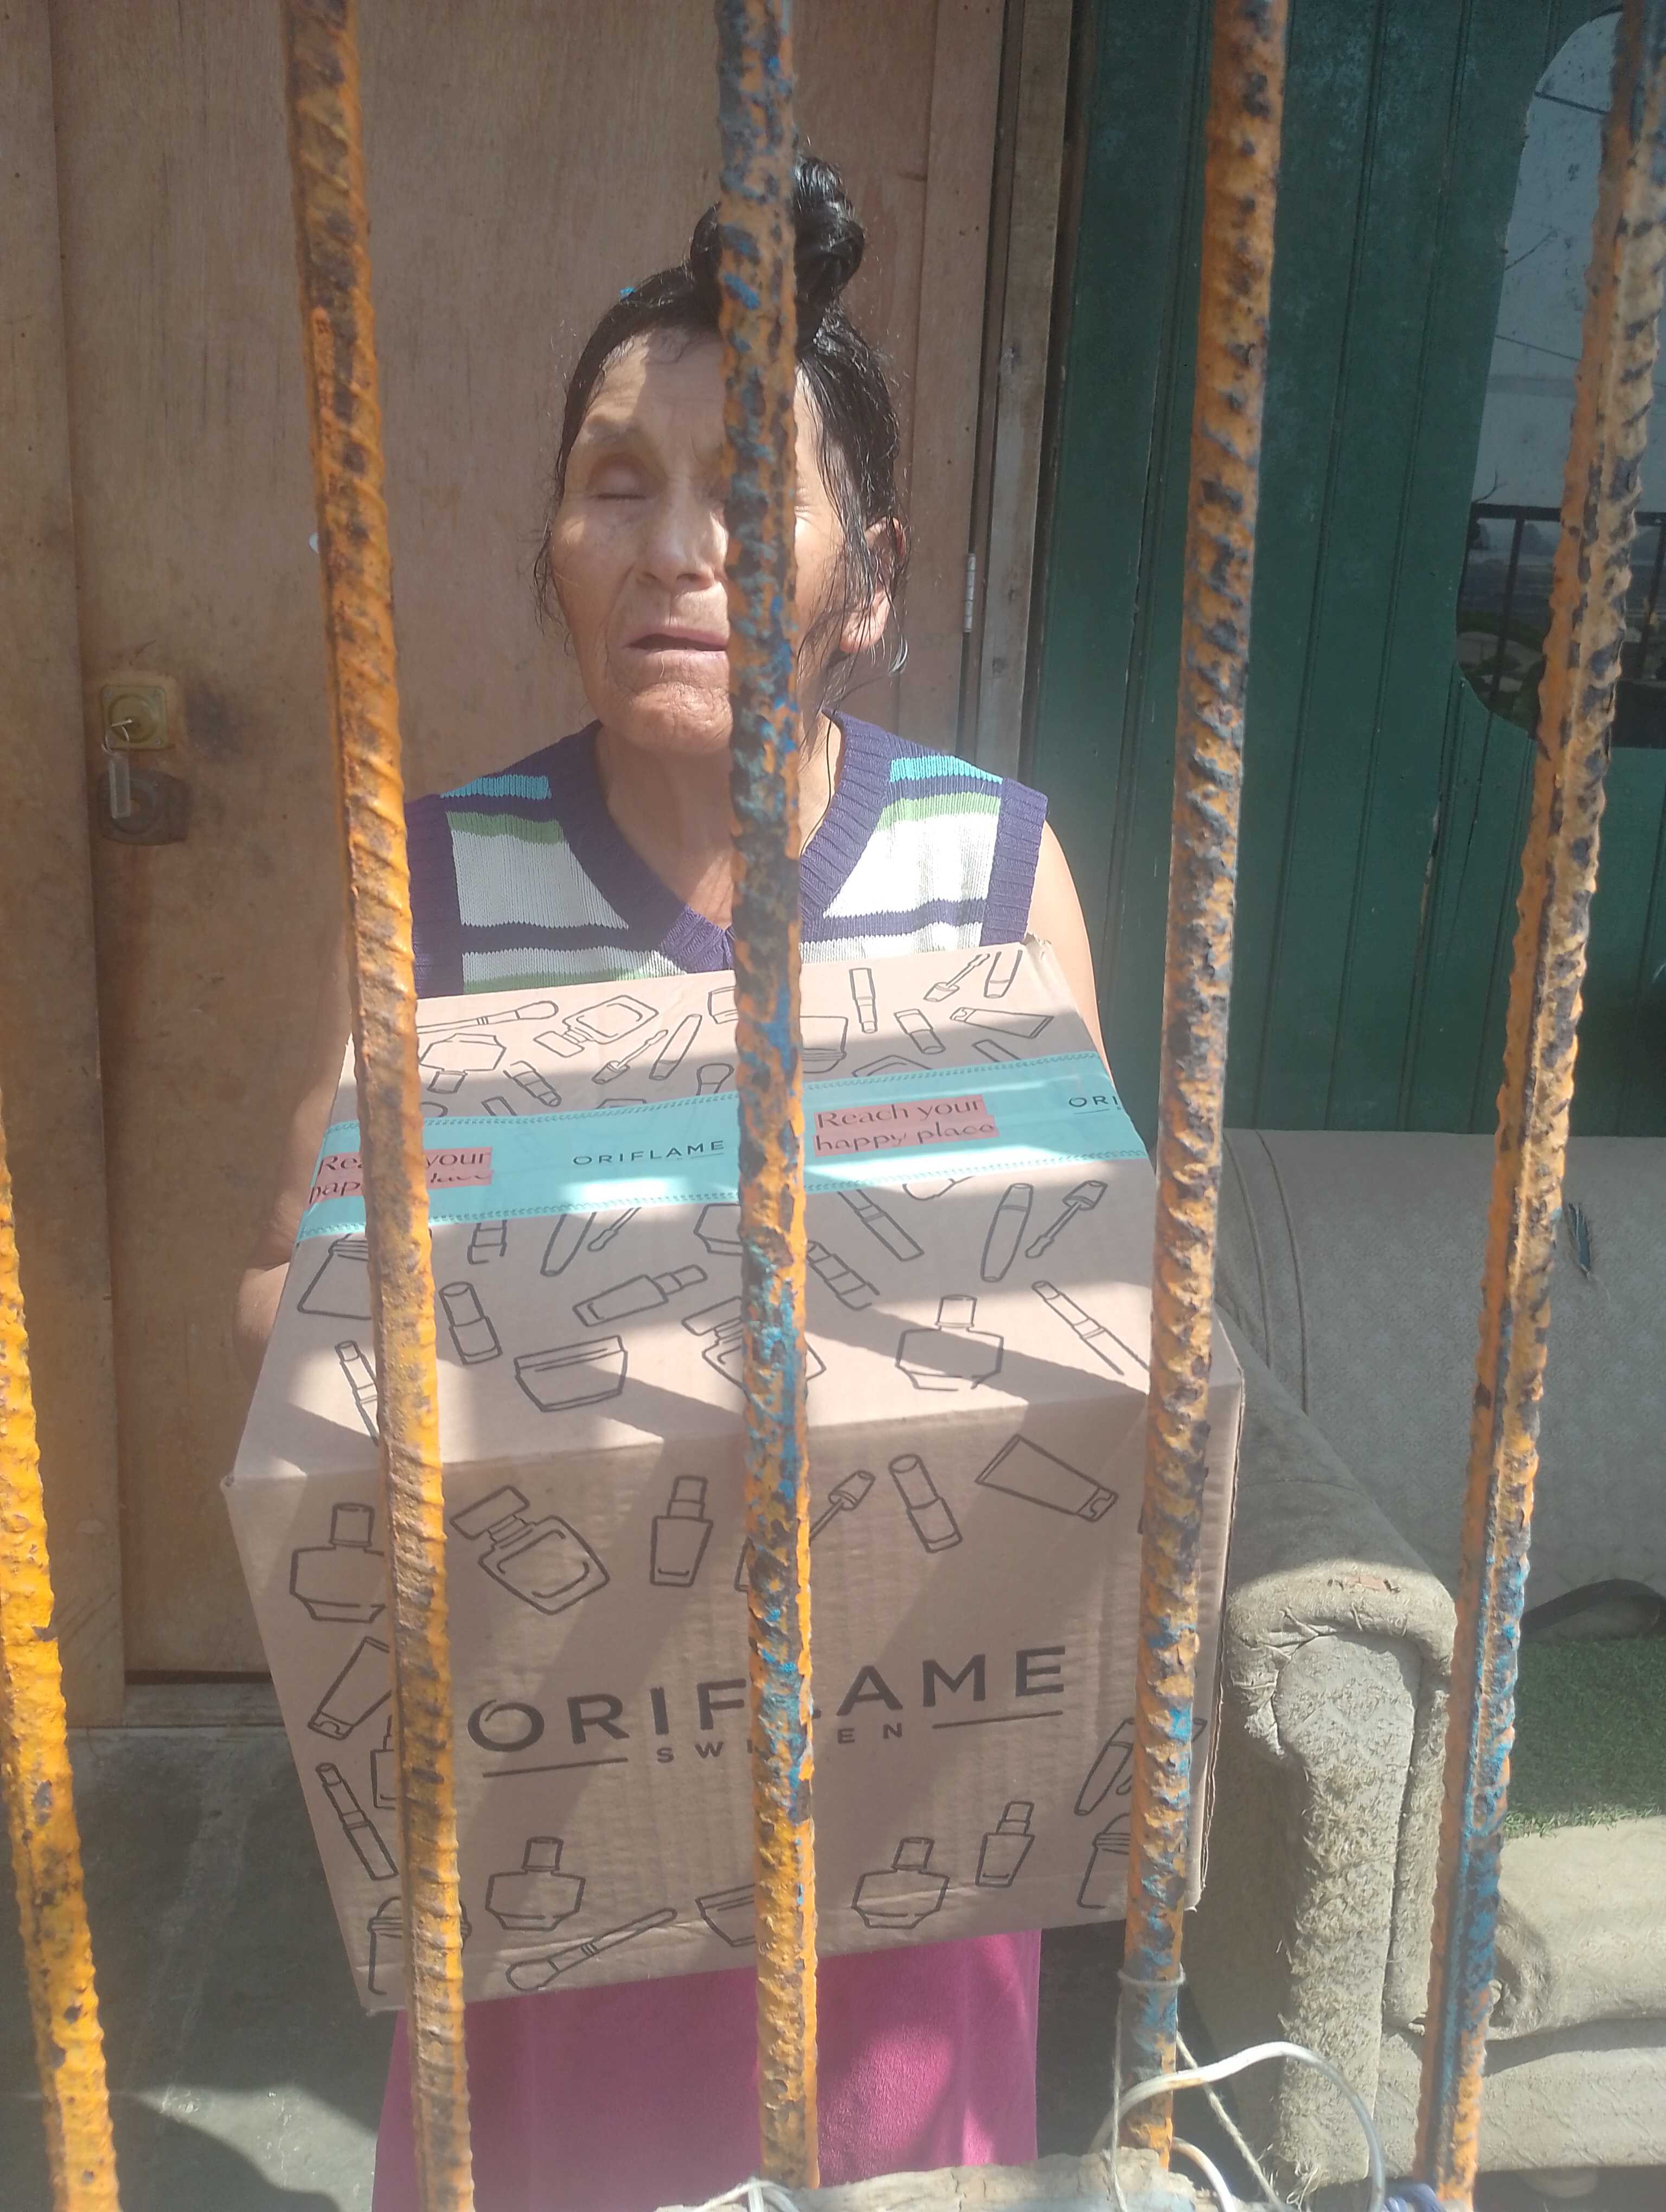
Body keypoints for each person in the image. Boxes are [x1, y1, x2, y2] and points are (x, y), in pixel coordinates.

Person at [238, 157, 1106, 2212]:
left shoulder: (988, 873)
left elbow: (1095, 1309)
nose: (678, 548)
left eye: (748, 492)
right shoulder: (441, 891)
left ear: (868, 581)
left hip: (900, 1764)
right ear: (552, 555)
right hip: (562, 1758)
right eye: (615, 485)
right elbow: (283, 1310)